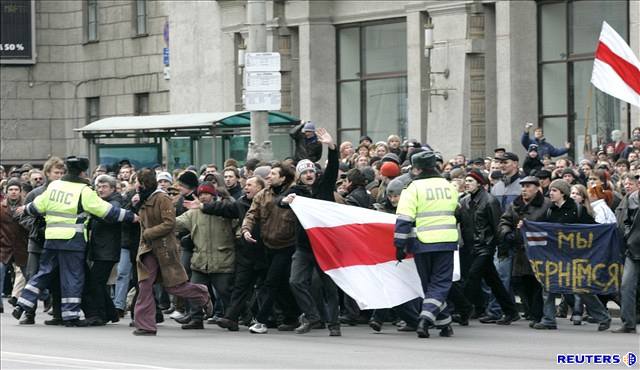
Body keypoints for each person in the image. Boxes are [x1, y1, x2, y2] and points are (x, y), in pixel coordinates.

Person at [13, 156, 137, 327]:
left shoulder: (54, 186)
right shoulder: (83, 190)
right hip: (72, 241)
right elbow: (106, 211)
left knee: (43, 273)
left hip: (51, 239)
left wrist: (25, 209)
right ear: (82, 172)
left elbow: (37, 207)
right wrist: (131, 216)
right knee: (72, 277)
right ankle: (70, 315)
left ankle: (23, 304)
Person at [132, 168, 209, 336]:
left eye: (137, 181)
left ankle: (201, 293)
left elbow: (169, 223)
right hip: (148, 249)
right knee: (145, 285)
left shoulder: (162, 198)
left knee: (174, 287)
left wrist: (149, 233)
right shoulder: (143, 198)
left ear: (144, 183)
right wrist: (135, 204)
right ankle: (146, 325)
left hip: (165, 248)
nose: (135, 185)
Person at [280, 127, 342, 336]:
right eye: (304, 172)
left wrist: (331, 147)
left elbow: (333, 166)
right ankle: (313, 317)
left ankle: (334, 324)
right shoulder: (295, 191)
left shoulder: (324, 187)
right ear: (299, 176)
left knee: (329, 287)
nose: (309, 175)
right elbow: (279, 202)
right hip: (304, 247)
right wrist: (284, 201)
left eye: (311, 171)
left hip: (325, 247)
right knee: (295, 281)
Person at [395, 150, 458, 339]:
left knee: (430, 285)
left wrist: (399, 245)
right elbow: (457, 210)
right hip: (446, 241)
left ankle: (424, 319)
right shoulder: (449, 186)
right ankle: (444, 323)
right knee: (438, 285)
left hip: (422, 243)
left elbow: (404, 219)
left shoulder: (412, 188)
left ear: (416, 168)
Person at [532, 179, 611, 331]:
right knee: (548, 287)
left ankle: (603, 317)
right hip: (555, 258)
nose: (551, 193)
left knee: (581, 289)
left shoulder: (577, 209)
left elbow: (593, 228)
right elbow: (540, 227)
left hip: (575, 258)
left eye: (554, 190)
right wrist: (525, 225)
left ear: (562, 193)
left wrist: (608, 231)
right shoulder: (550, 211)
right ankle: (548, 319)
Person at [241, 162, 301, 334]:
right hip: (269, 245)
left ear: (283, 178)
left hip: (288, 245)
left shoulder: (295, 193)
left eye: (273, 174)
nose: (268, 176)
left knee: (271, 282)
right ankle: (293, 316)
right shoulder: (263, 194)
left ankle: (261, 321)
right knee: (282, 284)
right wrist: (246, 229)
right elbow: (251, 214)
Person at [457, 170, 521, 325]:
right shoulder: (464, 201)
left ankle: (464, 310)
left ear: (480, 183)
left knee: (473, 276)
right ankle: (511, 311)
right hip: (470, 247)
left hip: (485, 247)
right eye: (466, 180)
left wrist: (501, 248)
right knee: (494, 281)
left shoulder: (490, 201)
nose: (467, 183)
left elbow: (497, 225)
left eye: (471, 181)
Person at [174, 181, 236, 330]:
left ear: (214, 196)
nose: (203, 197)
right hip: (200, 260)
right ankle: (196, 318)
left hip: (222, 259)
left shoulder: (223, 211)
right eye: (201, 194)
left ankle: (233, 317)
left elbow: (237, 223)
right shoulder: (193, 213)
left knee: (224, 291)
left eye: (207, 194)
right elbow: (176, 223)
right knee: (195, 289)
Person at [17, 156, 65, 325]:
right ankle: (29, 313)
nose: (58, 176)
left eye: (61, 173)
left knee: (57, 278)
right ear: (47, 173)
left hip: (58, 242)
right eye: (55, 173)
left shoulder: (66, 193)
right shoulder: (35, 193)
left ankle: (58, 313)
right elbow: (22, 215)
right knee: (32, 277)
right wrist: (37, 226)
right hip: (37, 242)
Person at [499, 176, 551, 327]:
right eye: (523, 187)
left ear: (537, 188)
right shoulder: (515, 204)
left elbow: (552, 225)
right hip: (519, 249)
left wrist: (531, 226)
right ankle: (529, 311)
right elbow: (505, 221)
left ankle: (537, 314)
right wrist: (506, 233)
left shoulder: (546, 205)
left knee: (535, 283)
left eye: (528, 186)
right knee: (519, 282)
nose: (524, 190)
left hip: (539, 250)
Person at [83, 175, 123, 326]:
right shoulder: (101, 201)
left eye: (104, 187)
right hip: (100, 249)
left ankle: (101, 315)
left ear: (112, 188)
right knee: (98, 282)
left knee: (96, 282)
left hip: (108, 250)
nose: (101, 189)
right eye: (98, 187)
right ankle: (111, 313)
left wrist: (92, 211)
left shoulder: (115, 201)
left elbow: (110, 216)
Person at [613, 174, 639, 333]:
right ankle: (628, 323)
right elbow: (627, 221)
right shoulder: (632, 199)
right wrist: (629, 236)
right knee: (626, 286)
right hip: (634, 249)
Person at [0, 179, 28, 314]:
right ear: (6, 192)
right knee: (0, 272)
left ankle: (46, 296)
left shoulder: (26, 207)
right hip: (4, 247)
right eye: (11, 189)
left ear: (20, 192)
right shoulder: (1, 207)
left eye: (16, 189)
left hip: (22, 247)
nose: (13, 192)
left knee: (29, 275)